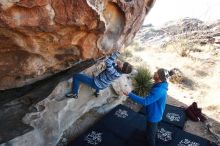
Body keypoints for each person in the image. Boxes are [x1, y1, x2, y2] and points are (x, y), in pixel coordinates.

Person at [123, 68, 174, 146]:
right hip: (154, 112)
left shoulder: (159, 90)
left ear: (160, 78)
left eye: (156, 73)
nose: (154, 73)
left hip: (154, 116)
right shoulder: (159, 84)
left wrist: (129, 94)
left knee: (151, 138)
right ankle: (149, 132)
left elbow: (145, 102)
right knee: (150, 129)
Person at [66, 50, 133, 99]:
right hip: (103, 85)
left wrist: (117, 53)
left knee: (76, 76)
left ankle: (74, 93)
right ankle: (97, 92)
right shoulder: (118, 70)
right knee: (101, 82)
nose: (122, 62)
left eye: (123, 64)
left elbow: (108, 62)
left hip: (96, 83)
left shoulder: (116, 73)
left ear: (122, 68)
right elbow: (112, 62)